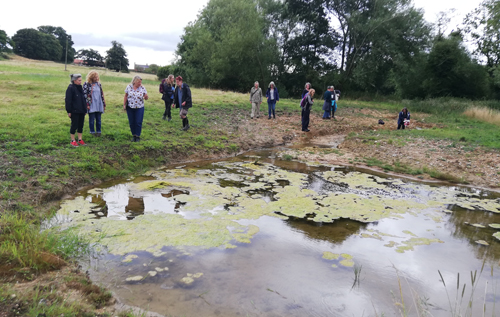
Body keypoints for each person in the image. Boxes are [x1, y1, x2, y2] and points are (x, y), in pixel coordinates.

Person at [124, 76, 148, 142]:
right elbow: (126, 96)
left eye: (140, 82)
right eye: (138, 82)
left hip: (139, 107)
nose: (140, 83)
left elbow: (146, 97)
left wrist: (146, 97)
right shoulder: (129, 87)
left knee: (138, 122)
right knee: (132, 122)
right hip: (130, 107)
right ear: (134, 81)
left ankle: (137, 136)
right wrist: (124, 104)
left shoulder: (142, 88)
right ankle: (133, 135)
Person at [65, 74, 88, 147]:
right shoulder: (70, 88)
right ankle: (72, 140)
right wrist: (69, 111)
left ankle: (80, 139)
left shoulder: (80, 88)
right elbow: (68, 100)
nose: (80, 82)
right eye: (79, 80)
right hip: (74, 111)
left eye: (81, 80)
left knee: (80, 125)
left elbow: (83, 99)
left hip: (81, 110)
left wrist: (85, 109)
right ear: (74, 80)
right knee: (74, 125)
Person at [83, 71, 106, 137]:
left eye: (97, 77)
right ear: (91, 77)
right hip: (91, 104)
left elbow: (101, 94)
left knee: (98, 119)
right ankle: (92, 131)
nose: (96, 78)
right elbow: (85, 95)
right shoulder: (87, 84)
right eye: (95, 77)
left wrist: (104, 103)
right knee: (92, 119)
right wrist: (87, 104)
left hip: (98, 104)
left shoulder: (99, 84)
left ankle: (99, 131)